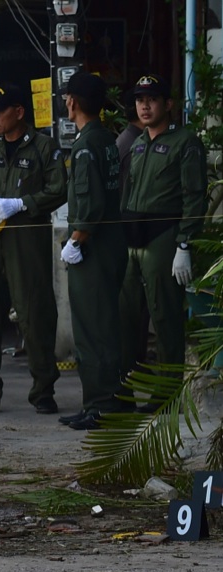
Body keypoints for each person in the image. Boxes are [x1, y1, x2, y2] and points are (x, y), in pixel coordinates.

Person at [0, 83, 67, 415]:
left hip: (27, 240)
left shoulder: (42, 148)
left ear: (19, 112)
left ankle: (43, 390)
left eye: (0, 111)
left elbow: (58, 189)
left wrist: (23, 203)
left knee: (34, 311)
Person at [119, 73, 208, 410]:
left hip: (164, 237)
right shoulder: (138, 143)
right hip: (132, 237)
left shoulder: (186, 143)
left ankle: (167, 393)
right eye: (140, 100)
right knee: (127, 317)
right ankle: (125, 390)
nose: (144, 105)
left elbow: (194, 197)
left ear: (167, 104)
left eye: (152, 99)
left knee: (165, 317)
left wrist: (184, 244)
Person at [57, 71, 126, 430]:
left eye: (67, 97)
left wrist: (75, 241)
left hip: (93, 249)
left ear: (74, 102)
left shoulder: (85, 146)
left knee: (92, 327)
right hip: (111, 246)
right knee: (104, 323)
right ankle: (101, 400)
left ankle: (101, 402)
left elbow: (89, 203)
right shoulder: (104, 139)